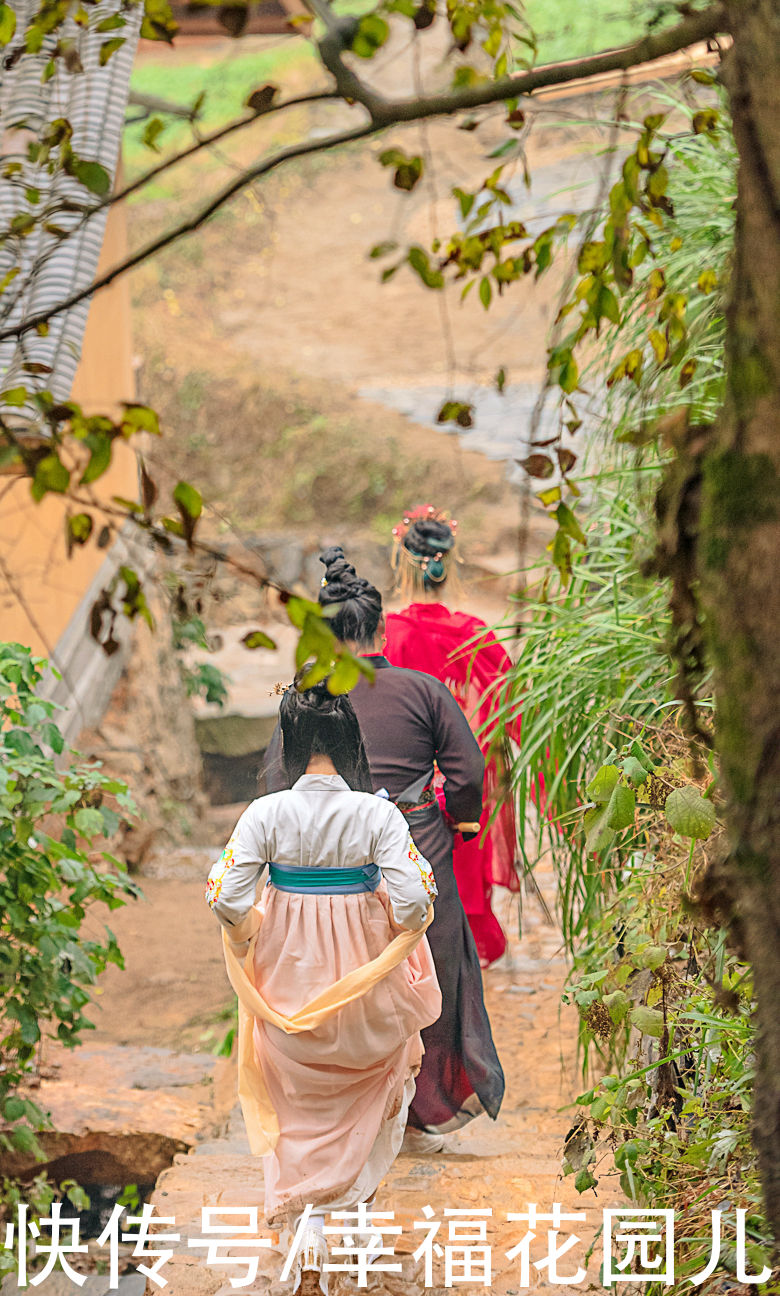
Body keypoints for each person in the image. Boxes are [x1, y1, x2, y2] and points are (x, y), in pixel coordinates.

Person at [263, 547, 505, 1140]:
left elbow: (275, 780)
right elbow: (469, 772)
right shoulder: (423, 691)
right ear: (379, 629)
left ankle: (341, 1105)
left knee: (333, 974)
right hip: (416, 850)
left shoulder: (309, 697)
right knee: (432, 970)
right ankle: (422, 1103)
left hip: (331, 863)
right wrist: (455, 816)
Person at [207, 679, 441, 1288]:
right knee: (373, 1081)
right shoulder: (378, 815)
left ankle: (307, 1229)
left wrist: (257, 923)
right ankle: (353, 1211)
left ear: (288, 742)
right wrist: (384, 918)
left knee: (295, 1099)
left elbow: (228, 900)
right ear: (348, 742)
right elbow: (416, 905)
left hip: (287, 978)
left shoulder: (265, 814)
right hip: (363, 986)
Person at [384, 505, 521, 968]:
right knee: (462, 873)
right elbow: (512, 711)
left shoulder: (389, 636)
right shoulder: (476, 634)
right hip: (464, 777)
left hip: (407, 779)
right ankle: (463, 959)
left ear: (403, 564)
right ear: (449, 565)